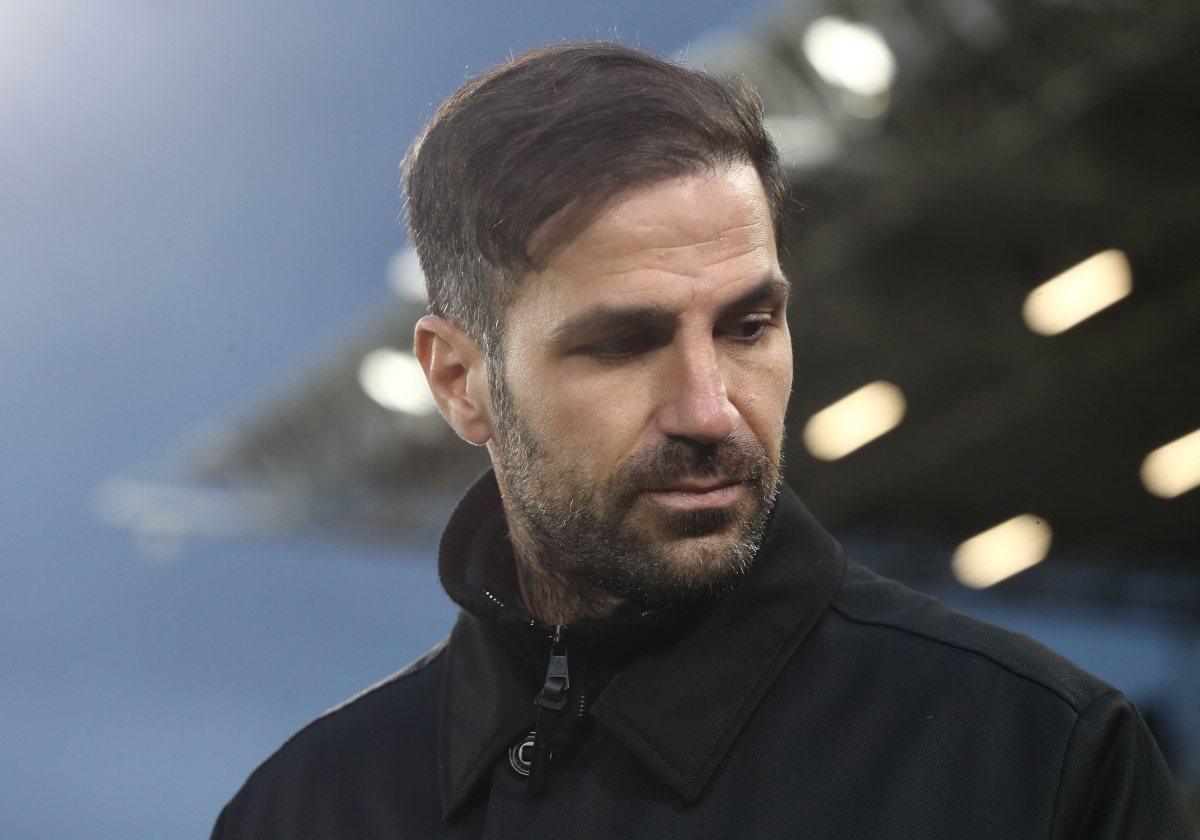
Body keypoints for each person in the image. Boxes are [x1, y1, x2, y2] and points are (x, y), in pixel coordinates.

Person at [210, 42, 1194, 839]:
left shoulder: (1039, 758)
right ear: (460, 382)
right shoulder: (299, 812)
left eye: (747, 326)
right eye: (623, 342)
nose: (710, 409)